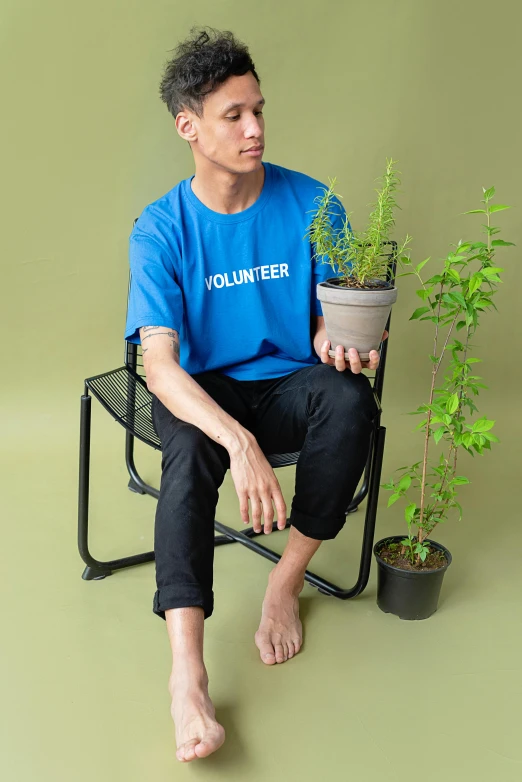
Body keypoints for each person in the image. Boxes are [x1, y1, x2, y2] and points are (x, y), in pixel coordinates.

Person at [124, 26, 388, 763]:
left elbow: (345, 322)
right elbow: (161, 366)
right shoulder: (161, 228)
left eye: (259, 110)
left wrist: (347, 341)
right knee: (187, 452)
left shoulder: (312, 203)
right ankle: (188, 674)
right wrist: (237, 443)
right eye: (234, 115)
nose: (256, 129)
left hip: (286, 381)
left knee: (349, 402)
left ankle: (285, 580)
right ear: (190, 127)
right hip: (205, 391)